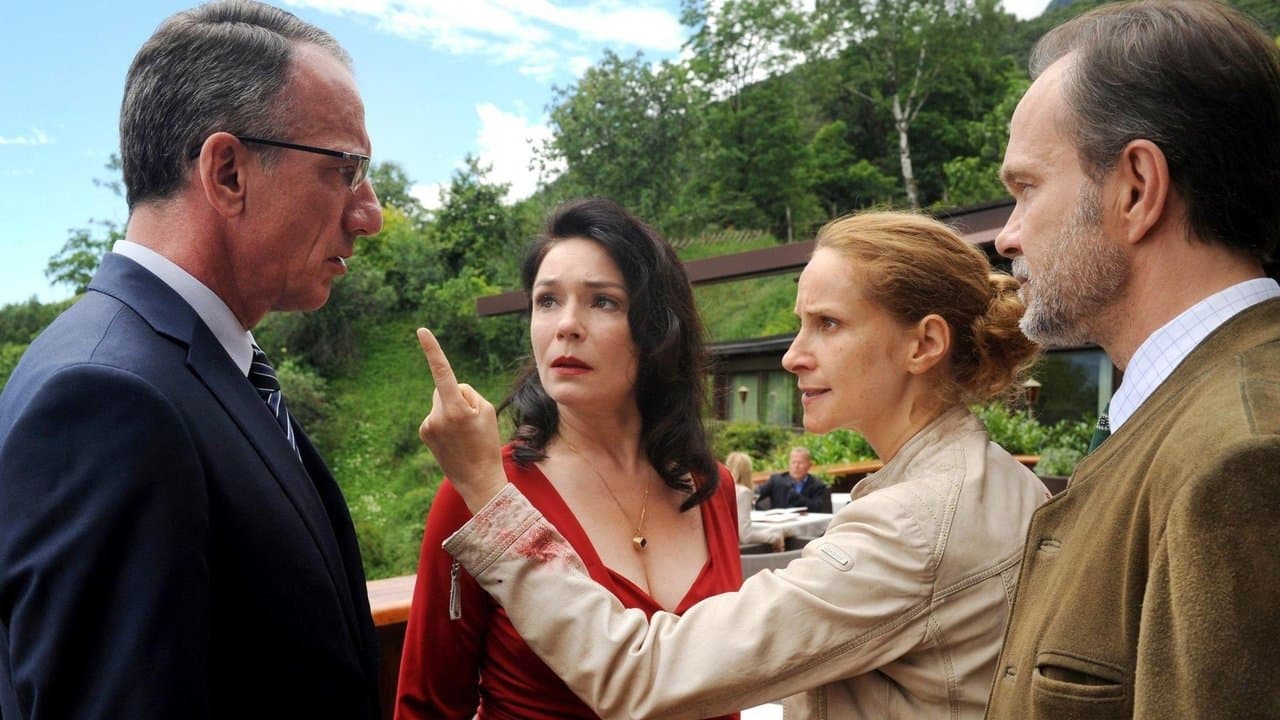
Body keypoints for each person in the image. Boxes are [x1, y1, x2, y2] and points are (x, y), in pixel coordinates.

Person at [413, 210, 1050, 719]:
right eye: (546, 300)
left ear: (925, 344)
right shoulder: (1014, 488)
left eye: (827, 324)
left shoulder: (905, 523)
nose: (793, 356)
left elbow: (645, 675)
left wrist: (493, 505)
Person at [0, 2, 384, 718]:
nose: (370, 214)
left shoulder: (186, 365)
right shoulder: (107, 399)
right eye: (345, 169)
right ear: (228, 172)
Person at [984, 3, 1280, 717]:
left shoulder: (1237, 460)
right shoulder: (1188, 419)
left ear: (1137, 189)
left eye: (1027, 188)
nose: (1006, 237)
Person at [394, 198, 743, 720]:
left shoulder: (711, 487)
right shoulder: (481, 490)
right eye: (548, 301)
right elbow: (428, 706)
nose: (567, 326)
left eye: (603, 302)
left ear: (657, 328)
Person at [725, 451, 784, 551]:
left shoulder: (722, 489)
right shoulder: (742, 492)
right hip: (740, 551)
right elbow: (745, 536)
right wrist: (774, 538)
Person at [753, 446, 832, 512]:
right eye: (793, 462)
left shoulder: (817, 485)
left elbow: (819, 508)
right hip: (779, 523)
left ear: (809, 465)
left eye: (800, 463)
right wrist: (763, 513)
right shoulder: (776, 480)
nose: (796, 466)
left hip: (806, 524)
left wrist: (798, 499)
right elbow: (754, 496)